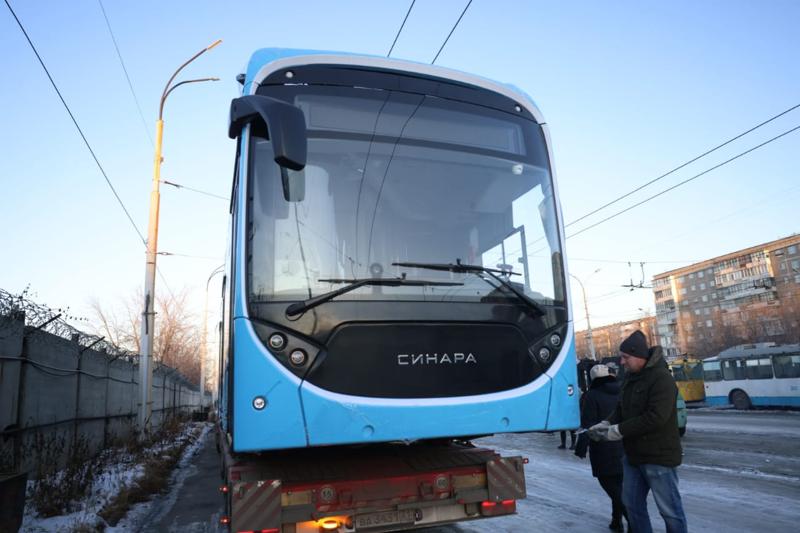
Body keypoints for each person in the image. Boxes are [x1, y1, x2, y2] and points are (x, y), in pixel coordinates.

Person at [588, 330, 688, 533]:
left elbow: (656, 417)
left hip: (659, 457)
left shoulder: (662, 379)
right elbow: (621, 408)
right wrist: (606, 422)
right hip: (633, 457)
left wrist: (618, 430)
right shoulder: (631, 377)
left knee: (670, 511)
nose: (622, 362)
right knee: (632, 505)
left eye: (626, 357)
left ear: (639, 356)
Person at [575, 364, 628, 531]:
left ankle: (632, 519)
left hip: (602, 447)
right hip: (624, 445)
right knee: (618, 485)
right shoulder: (622, 391)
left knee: (611, 486)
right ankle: (616, 521)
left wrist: (581, 447)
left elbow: (588, 424)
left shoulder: (592, 396)